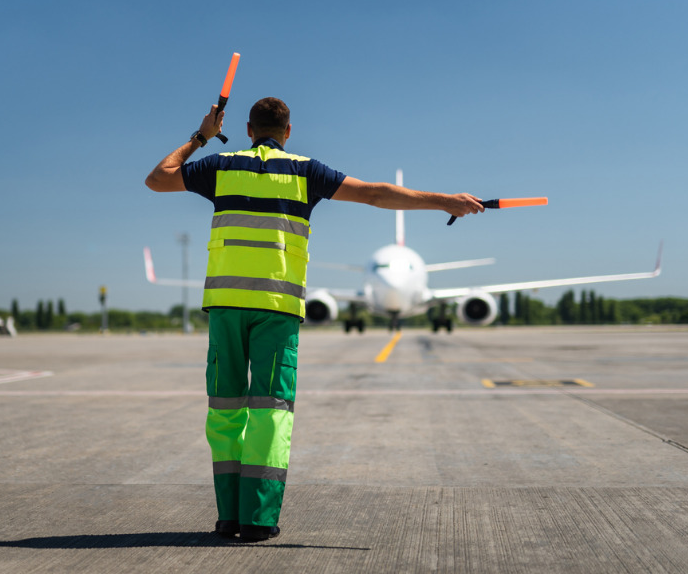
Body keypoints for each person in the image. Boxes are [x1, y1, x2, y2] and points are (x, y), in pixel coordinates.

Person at [145, 97, 482, 542]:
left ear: (248, 130)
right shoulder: (305, 172)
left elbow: (158, 179)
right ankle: (257, 520)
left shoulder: (220, 166)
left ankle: (228, 517)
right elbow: (375, 193)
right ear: (288, 132)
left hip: (225, 306)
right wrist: (444, 202)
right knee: (270, 414)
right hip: (277, 309)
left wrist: (201, 136)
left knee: (225, 410)